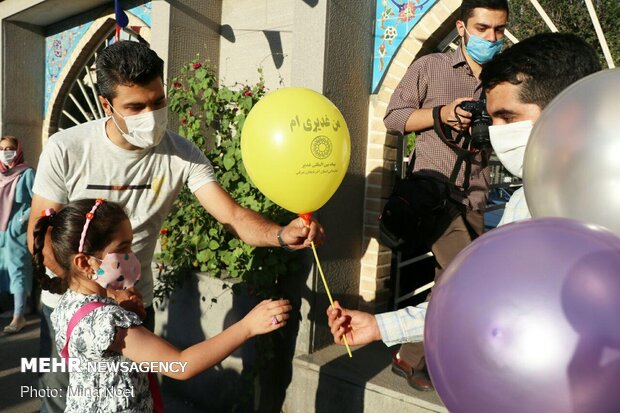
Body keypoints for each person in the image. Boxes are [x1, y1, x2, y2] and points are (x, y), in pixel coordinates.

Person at [28, 40, 324, 412]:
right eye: (135, 107)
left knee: (133, 396)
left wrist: (280, 235)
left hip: (135, 304)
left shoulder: (182, 154)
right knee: (60, 403)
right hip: (71, 309)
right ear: (107, 105)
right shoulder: (66, 148)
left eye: (158, 101)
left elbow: (231, 215)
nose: (150, 115)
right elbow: (42, 241)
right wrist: (101, 296)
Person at [328, 32, 602, 360]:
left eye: (508, 118)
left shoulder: (601, 203)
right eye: (491, 118)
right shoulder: (524, 203)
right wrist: (381, 327)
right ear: (461, 26)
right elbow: (484, 296)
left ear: (567, 111)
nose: (495, 133)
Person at [32, 198, 291, 412]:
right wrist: (248, 326)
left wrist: (124, 311)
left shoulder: (69, 302)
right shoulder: (106, 321)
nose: (131, 256)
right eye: (123, 248)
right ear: (85, 263)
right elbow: (180, 364)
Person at [382, 0, 509, 391]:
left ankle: (410, 358)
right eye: (482, 28)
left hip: (475, 194)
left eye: (498, 30)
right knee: (467, 278)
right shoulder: (431, 68)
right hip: (434, 194)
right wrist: (441, 113)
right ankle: (471, 363)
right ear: (461, 27)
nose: (491, 38)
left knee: (447, 282)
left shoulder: (504, 79)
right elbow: (393, 117)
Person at [0, 136, 35, 333]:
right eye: (2, 148)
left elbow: (37, 199)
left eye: (10, 148)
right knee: (4, 270)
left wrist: (21, 221)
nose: (6, 152)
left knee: (18, 270)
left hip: (16, 231)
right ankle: (18, 307)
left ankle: (18, 317)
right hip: (1, 232)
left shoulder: (27, 173)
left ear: (18, 150)